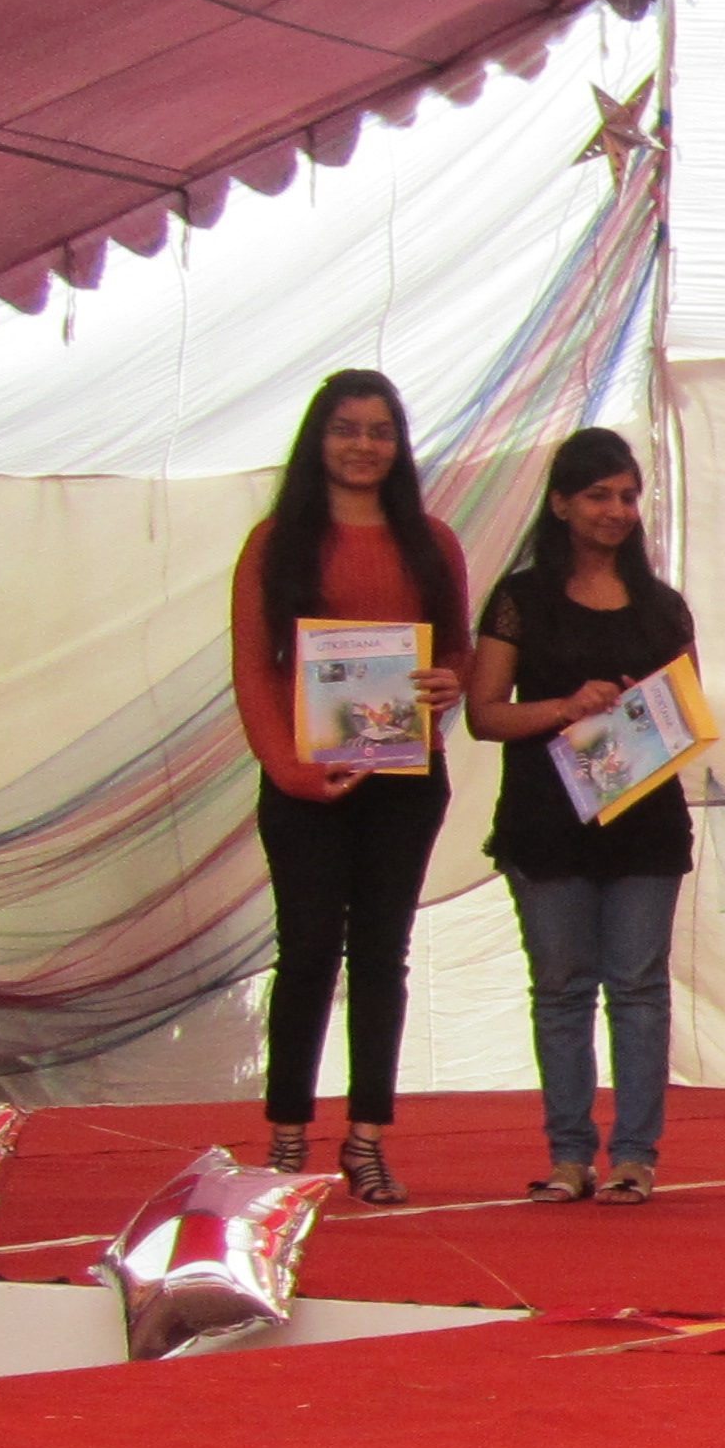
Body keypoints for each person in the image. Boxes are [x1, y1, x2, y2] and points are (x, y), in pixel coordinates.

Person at [228, 369, 469, 1205]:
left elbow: (457, 650)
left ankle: (365, 1139)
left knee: (381, 956)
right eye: (346, 429)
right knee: (305, 953)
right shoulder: (274, 543)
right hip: (306, 783)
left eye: (379, 431)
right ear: (317, 440)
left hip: (405, 779)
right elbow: (254, 670)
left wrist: (450, 681)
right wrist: (293, 771)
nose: (363, 446)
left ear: (398, 445)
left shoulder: (432, 541)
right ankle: (287, 1138)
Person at [461, 429, 693, 1204]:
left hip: (644, 823)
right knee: (561, 988)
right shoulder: (521, 599)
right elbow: (484, 715)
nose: (616, 510)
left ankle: (635, 1157)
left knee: (638, 988)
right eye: (598, 495)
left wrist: (637, 715)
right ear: (560, 503)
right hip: (547, 824)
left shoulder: (663, 607)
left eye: (627, 496)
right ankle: (569, 1156)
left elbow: (686, 715)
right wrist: (566, 708)